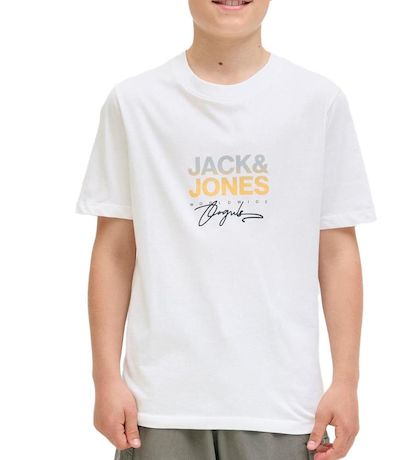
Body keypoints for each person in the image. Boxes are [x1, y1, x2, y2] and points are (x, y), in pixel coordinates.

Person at [75, 0, 376, 458]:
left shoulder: (318, 102)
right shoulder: (135, 103)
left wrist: (347, 381)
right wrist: (104, 378)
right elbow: (115, 250)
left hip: (281, 406)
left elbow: (336, 251)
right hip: (157, 406)